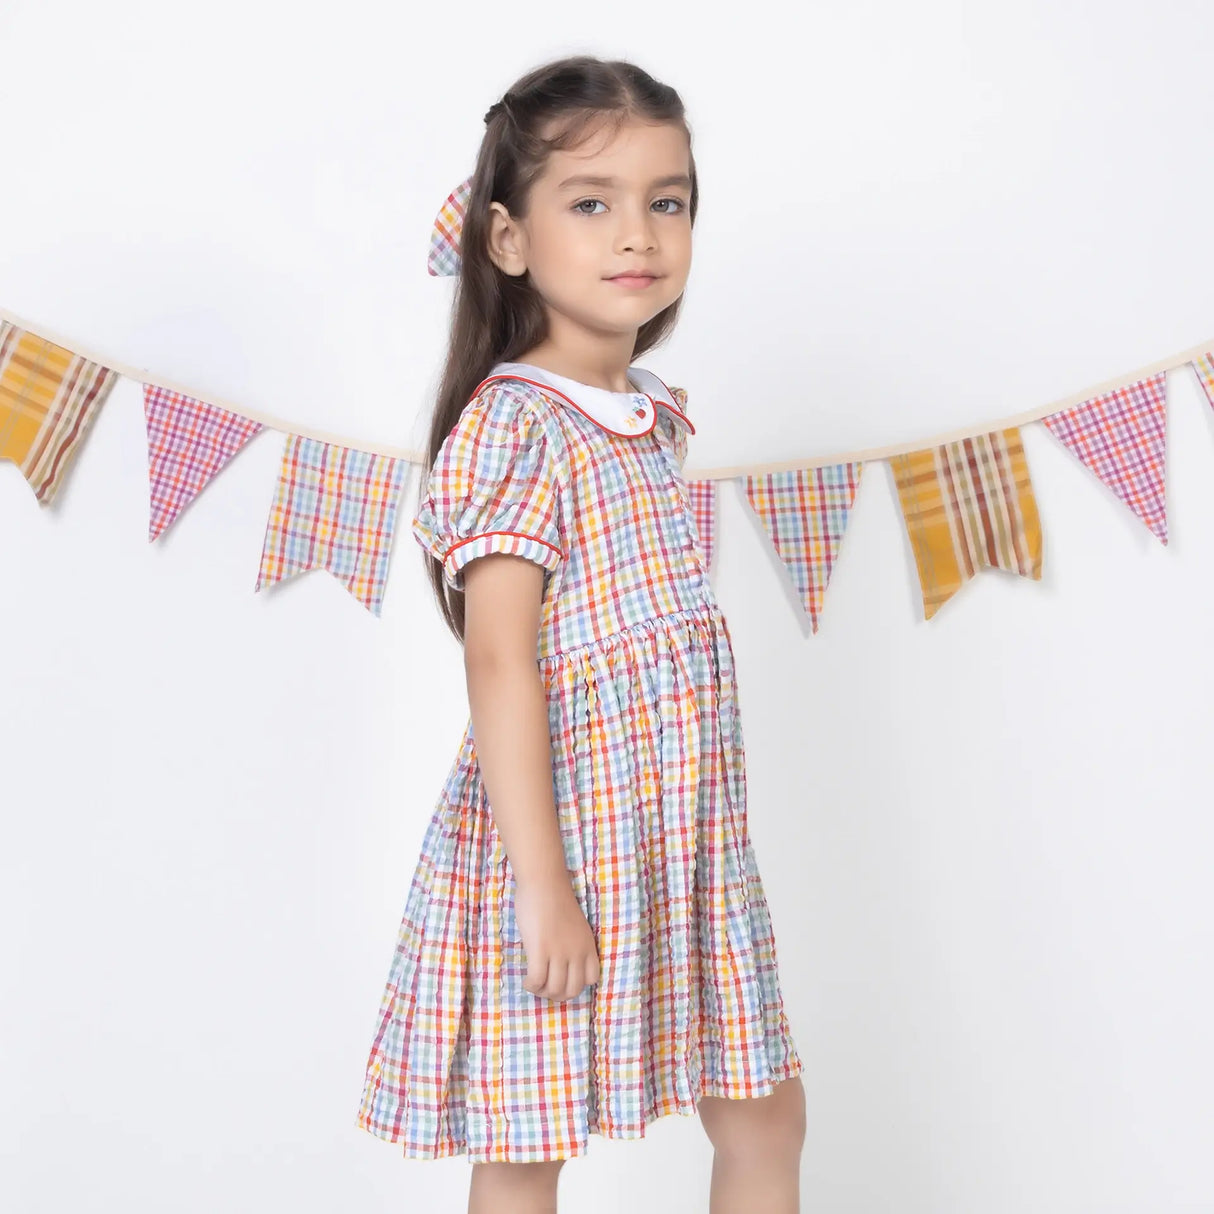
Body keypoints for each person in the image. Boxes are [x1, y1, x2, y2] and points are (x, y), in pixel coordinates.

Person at [357, 54, 806, 1214]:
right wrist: (543, 884)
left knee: (764, 1106)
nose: (638, 234)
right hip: (559, 838)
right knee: (526, 1131)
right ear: (508, 239)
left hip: (683, 840)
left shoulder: (654, 416)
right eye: (591, 201)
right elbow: (500, 659)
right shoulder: (515, 423)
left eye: (667, 200)